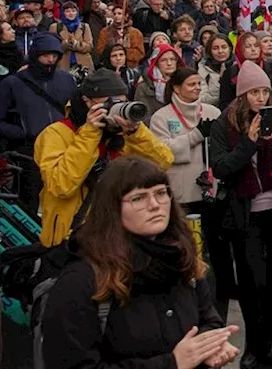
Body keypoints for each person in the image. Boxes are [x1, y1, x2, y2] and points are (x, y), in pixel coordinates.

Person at [38, 157, 240, 369]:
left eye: (161, 193)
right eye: (138, 198)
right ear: (113, 208)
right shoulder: (82, 279)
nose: (155, 205)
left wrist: (212, 345)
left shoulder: (180, 257)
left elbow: (208, 318)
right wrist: (171, 364)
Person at [208, 62, 272, 365]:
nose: (261, 97)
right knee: (253, 282)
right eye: (254, 92)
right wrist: (249, 144)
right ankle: (255, 342)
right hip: (246, 214)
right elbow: (222, 168)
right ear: (242, 95)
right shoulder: (224, 125)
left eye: (265, 91)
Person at [34, 67, 175, 246]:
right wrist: (90, 134)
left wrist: (136, 132)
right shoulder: (56, 134)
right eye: (108, 104)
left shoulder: (125, 133)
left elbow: (163, 163)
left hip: (123, 235)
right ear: (87, 101)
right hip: (74, 239)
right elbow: (61, 186)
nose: (114, 110)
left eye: (121, 103)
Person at [147, 67, 235, 321]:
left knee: (218, 243)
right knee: (184, 245)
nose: (197, 88)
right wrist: (196, 135)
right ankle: (185, 290)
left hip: (211, 190)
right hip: (182, 192)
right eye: (191, 84)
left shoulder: (212, 112)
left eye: (199, 84)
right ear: (175, 88)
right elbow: (161, 152)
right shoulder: (161, 117)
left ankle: (226, 287)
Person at [0, 32, 79, 214]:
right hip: (29, 152)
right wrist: (23, 132)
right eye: (45, 55)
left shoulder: (66, 80)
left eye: (55, 55)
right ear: (35, 55)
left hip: (64, 149)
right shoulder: (12, 83)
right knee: (28, 203)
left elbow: (75, 112)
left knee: (64, 199)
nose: (50, 60)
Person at [137, 43, 183, 118]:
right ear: (156, 63)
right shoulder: (143, 88)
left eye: (172, 59)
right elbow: (143, 117)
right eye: (163, 60)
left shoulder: (184, 83)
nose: (169, 63)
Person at [50, 0, 94, 72]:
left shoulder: (84, 26)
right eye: (67, 11)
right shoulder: (55, 27)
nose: (71, 13)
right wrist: (67, 43)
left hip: (83, 66)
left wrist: (75, 43)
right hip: (63, 65)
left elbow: (89, 47)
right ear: (63, 13)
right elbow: (53, 47)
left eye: (73, 11)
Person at [198, 33, 236, 107]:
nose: (220, 51)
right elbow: (202, 97)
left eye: (224, 47)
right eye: (215, 48)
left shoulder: (238, 65)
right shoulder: (203, 68)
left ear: (230, 48)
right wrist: (220, 82)